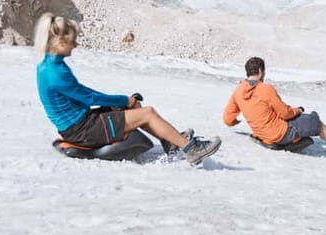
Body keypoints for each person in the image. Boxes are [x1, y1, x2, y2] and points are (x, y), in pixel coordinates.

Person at [34, 13, 221, 165]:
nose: (76, 45)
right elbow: (90, 98)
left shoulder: (47, 66)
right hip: (82, 130)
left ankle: (170, 141)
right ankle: (191, 150)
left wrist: (126, 103)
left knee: (135, 107)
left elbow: (83, 97)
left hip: (79, 124)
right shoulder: (56, 73)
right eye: (72, 41)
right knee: (147, 113)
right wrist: (124, 100)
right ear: (61, 43)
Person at [223, 56, 326, 153]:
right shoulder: (265, 88)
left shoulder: (238, 91)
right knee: (314, 121)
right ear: (260, 71)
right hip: (280, 134)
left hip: (263, 134)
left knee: (302, 121)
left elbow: (227, 119)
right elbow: (285, 113)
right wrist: (297, 110)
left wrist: (235, 122)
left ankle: (298, 140)